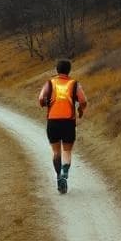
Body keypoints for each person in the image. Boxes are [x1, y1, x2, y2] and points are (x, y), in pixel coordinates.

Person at [38, 58, 87, 194]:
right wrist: (80, 110)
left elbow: (41, 98)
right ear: (69, 70)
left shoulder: (50, 83)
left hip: (52, 121)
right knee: (67, 151)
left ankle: (59, 176)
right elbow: (83, 100)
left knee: (56, 152)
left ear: (57, 70)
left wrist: (45, 104)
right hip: (68, 122)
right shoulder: (74, 84)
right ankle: (65, 175)